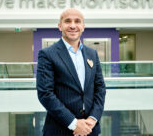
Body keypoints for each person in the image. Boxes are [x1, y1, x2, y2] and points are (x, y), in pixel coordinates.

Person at [36, 8, 106, 136]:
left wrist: (93, 119)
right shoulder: (47, 54)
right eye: (67, 21)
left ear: (83, 26)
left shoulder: (92, 54)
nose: (73, 25)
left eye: (77, 21)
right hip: (60, 130)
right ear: (60, 26)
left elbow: (100, 88)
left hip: (90, 129)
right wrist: (74, 123)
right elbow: (45, 94)